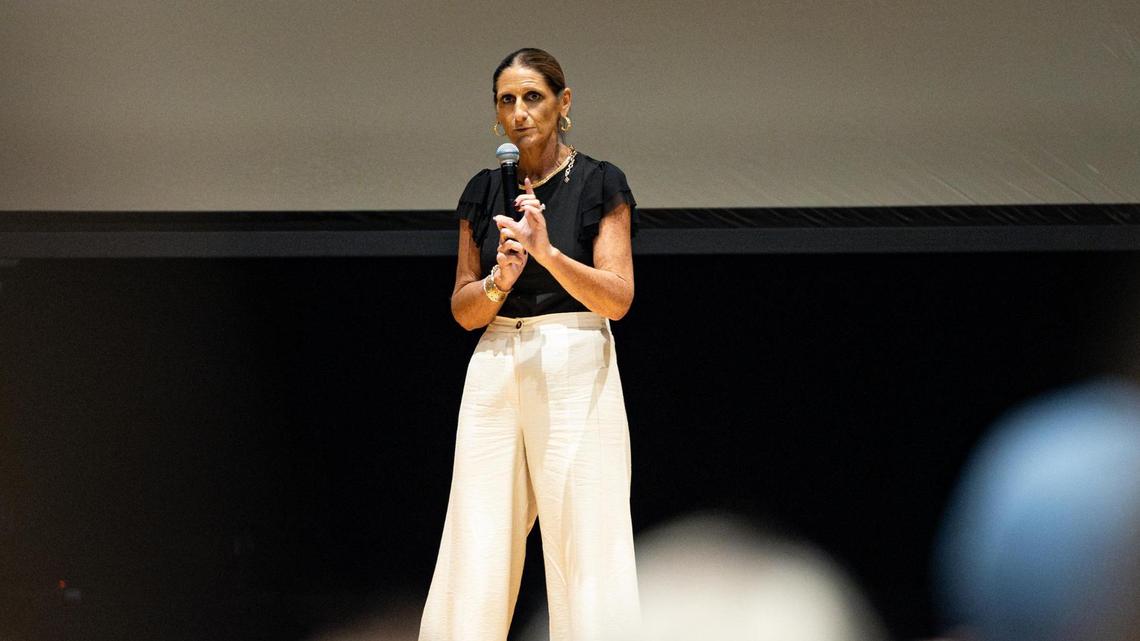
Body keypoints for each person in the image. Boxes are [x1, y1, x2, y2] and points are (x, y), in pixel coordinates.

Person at [418, 48, 640, 641]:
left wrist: (547, 254)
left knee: (586, 536)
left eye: (533, 97)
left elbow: (618, 298)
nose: (519, 112)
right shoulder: (483, 190)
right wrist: (500, 281)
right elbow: (464, 309)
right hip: (495, 358)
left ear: (563, 103)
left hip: (574, 351)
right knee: (477, 532)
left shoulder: (599, 181)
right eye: (507, 100)